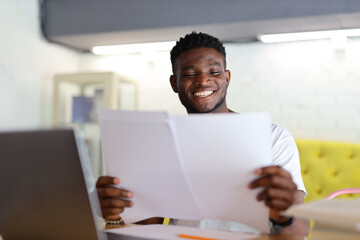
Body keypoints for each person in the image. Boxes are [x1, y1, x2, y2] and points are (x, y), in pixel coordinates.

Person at [96, 32, 309, 235]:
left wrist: (284, 215)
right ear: (174, 83)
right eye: (189, 74)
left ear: (226, 77)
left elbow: (298, 233)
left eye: (214, 72)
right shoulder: (162, 144)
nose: (202, 81)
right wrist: (115, 214)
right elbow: (147, 227)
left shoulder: (273, 138)